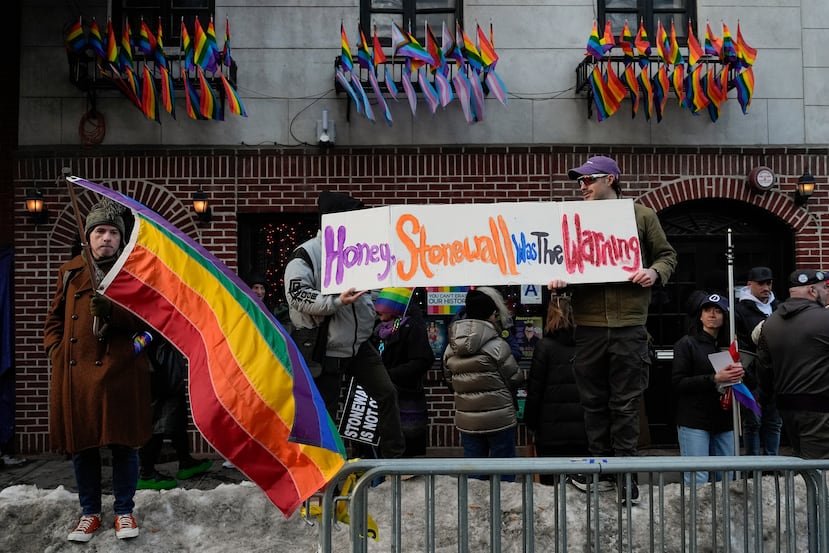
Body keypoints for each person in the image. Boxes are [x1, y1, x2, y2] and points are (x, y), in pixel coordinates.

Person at [548, 155, 678, 504]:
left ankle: (626, 477)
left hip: (629, 325)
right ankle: (600, 471)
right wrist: (559, 283)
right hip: (589, 325)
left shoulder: (642, 215)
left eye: (588, 180)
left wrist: (654, 272)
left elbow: (667, 256)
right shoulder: (572, 219)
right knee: (592, 403)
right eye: (580, 181)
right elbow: (561, 261)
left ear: (610, 179)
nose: (582, 186)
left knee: (626, 403)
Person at [43, 200, 151, 542]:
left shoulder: (133, 271)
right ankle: (89, 512)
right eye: (100, 231)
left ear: (122, 239)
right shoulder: (71, 271)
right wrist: (56, 351)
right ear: (88, 237)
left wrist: (114, 313)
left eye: (113, 232)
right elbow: (54, 320)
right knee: (83, 444)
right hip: (76, 371)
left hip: (120, 370)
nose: (106, 238)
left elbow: (152, 324)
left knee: (124, 445)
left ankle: (123, 511)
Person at [284, 191, 405, 459]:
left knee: (386, 394)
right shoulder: (306, 254)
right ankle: (324, 469)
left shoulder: (358, 250)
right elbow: (296, 295)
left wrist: (376, 310)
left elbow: (370, 290)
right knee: (326, 413)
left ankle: (394, 461)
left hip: (359, 345)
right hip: (324, 347)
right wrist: (336, 301)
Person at [443, 288, 524, 481]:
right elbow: (515, 378)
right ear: (491, 315)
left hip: (467, 419)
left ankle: (474, 509)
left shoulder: (450, 347)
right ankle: (503, 509)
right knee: (504, 472)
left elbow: (449, 380)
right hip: (500, 418)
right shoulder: (497, 346)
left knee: (474, 471)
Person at [756, 269, 829, 459]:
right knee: (820, 471)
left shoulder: (770, 324)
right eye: (824, 289)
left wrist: (763, 400)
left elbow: (764, 369)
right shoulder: (824, 320)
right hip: (821, 409)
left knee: (803, 464)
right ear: (813, 291)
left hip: (787, 409)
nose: (826, 293)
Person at [672, 293, 744, 486]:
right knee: (698, 478)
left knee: (726, 477)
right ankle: (695, 517)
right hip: (694, 420)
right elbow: (678, 383)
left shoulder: (731, 346)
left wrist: (741, 373)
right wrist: (713, 379)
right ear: (700, 315)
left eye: (718, 310)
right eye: (707, 310)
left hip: (724, 419)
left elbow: (750, 381)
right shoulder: (686, 344)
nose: (712, 314)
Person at [523, 293, 589, 486]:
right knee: (582, 491)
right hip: (584, 431)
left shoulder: (544, 346)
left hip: (550, 432)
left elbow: (535, 390)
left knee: (551, 491)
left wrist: (531, 422)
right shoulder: (589, 345)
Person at [137, 335, 212, 490]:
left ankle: (186, 461)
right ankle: (146, 472)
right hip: (161, 375)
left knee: (178, 417)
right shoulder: (148, 321)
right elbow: (139, 343)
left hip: (165, 371)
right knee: (158, 423)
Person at [370, 288, 434, 457]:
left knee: (404, 450)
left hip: (405, 399)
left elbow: (422, 361)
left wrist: (387, 375)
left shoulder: (409, 327)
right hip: (380, 401)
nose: (378, 312)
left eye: (382, 308)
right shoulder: (378, 331)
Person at [734, 266, 782, 456]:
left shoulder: (779, 307)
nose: (765, 287)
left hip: (777, 375)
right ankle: (752, 467)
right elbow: (742, 346)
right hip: (752, 376)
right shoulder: (739, 310)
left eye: (768, 283)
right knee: (753, 423)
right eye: (761, 283)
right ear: (750, 285)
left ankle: (773, 464)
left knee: (774, 423)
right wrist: (751, 377)